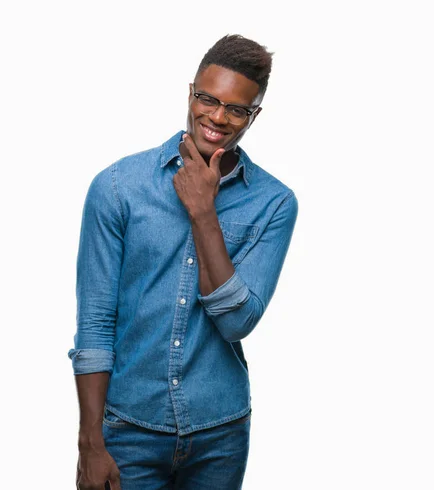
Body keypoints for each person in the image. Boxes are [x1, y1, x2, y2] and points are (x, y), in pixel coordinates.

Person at [68, 34, 298, 490]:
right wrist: (90, 442)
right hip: (128, 429)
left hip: (220, 433)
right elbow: (95, 322)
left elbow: (237, 321)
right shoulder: (117, 187)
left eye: (236, 108)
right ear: (190, 91)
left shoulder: (274, 203)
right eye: (207, 98)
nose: (217, 116)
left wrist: (203, 211)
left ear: (254, 115)